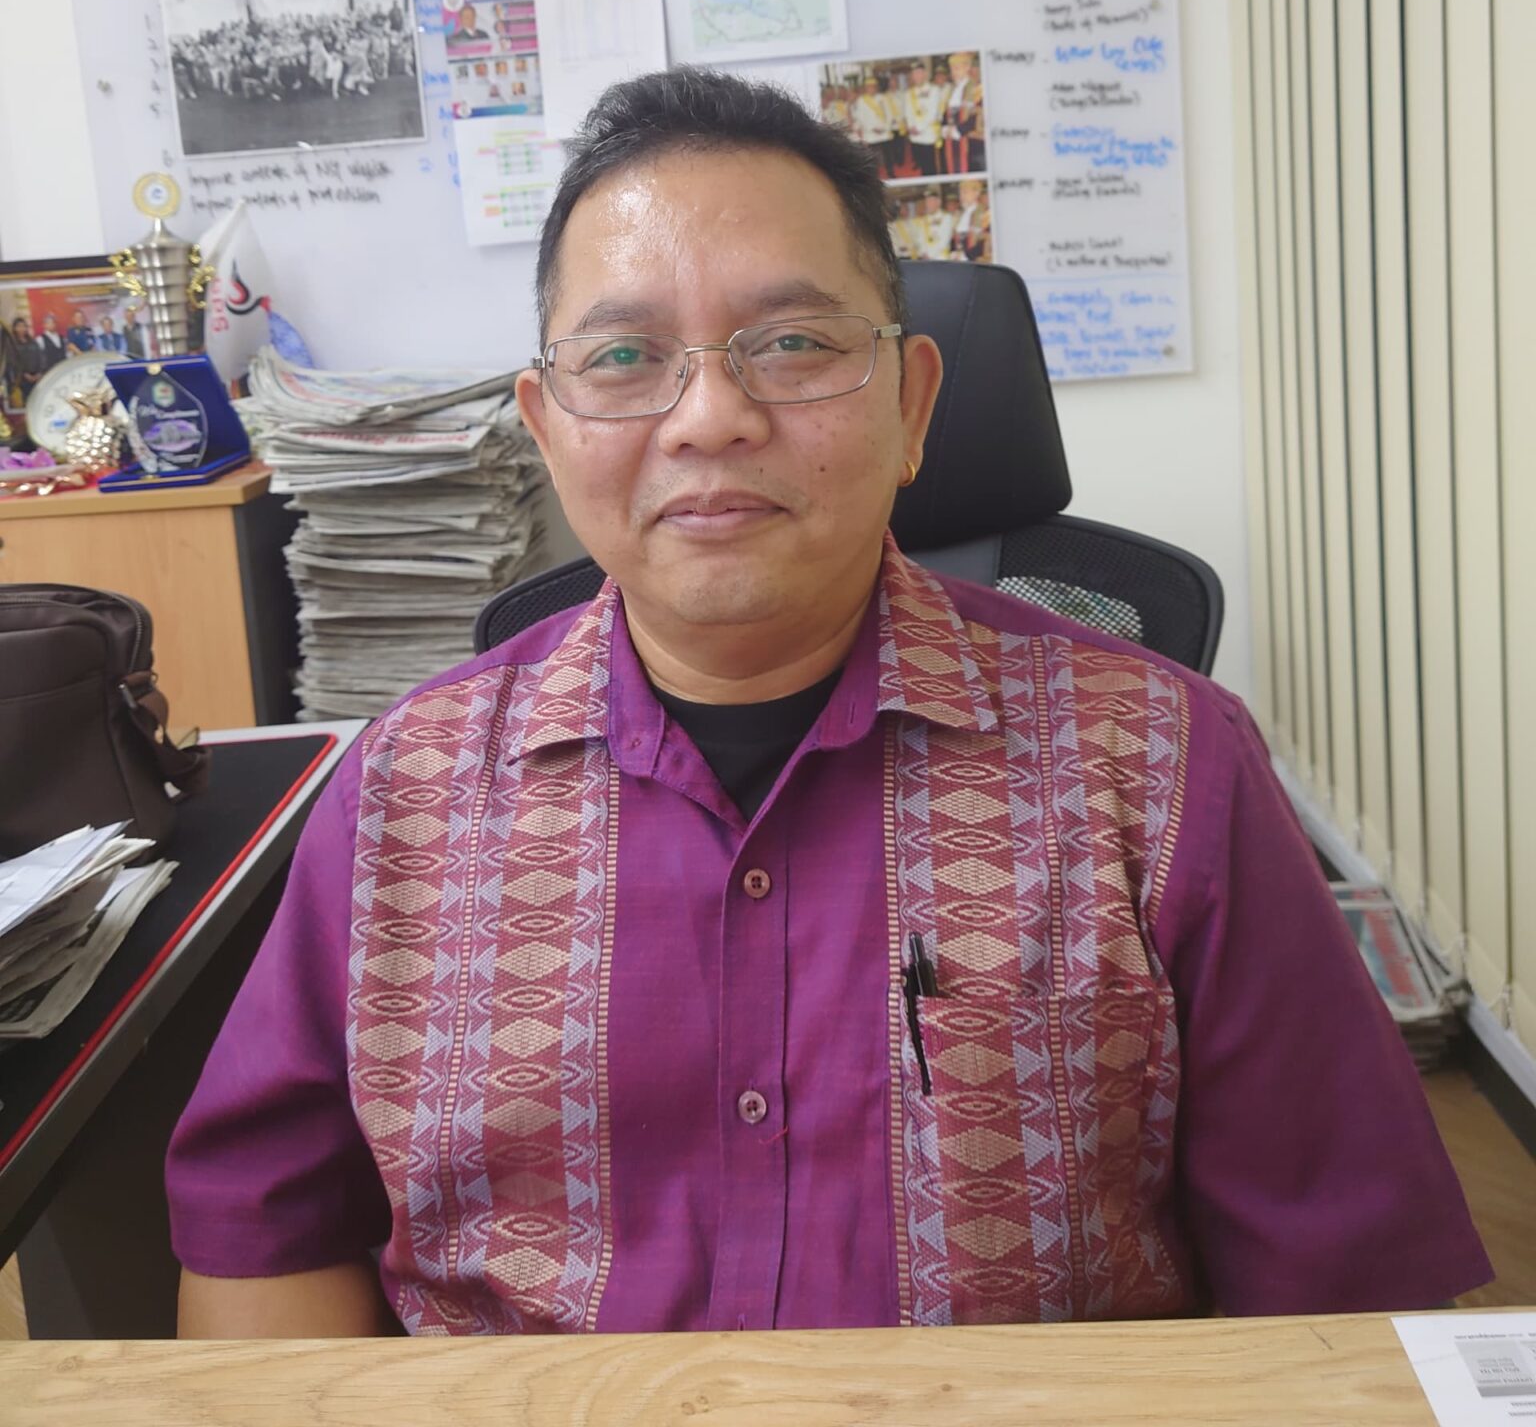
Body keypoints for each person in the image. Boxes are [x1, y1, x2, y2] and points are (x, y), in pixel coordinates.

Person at [168, 67, 1488, 1340]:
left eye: (793, 343)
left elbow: (1341, 1283)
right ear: (549, 424)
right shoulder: (401, 794)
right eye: (624, 354)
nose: (710, 417)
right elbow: (266, 1234)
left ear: (913, 406)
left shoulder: (1161, 763)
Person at [941, 50, 985, 174]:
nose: (953, 73)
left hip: (970, 142)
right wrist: (944, 127)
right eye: (952, 69)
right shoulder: (951, 89)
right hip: (952, 139)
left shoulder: (977, 89)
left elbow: (977, 116)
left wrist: (958, 130)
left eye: (957, 68)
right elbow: (947, 113)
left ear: (967, 68)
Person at [902, 57, 946, 178]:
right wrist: (911, 127)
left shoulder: (934, 90)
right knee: (921, 164)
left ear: (925, 74)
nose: (917, 76)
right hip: (914, 135)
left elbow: (933, 112)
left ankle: (932, 180)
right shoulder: (908, 93)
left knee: (930, 165)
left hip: (928, 134)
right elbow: (907, 113)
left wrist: (919, 128)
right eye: (914, 74)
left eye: (919, 73)